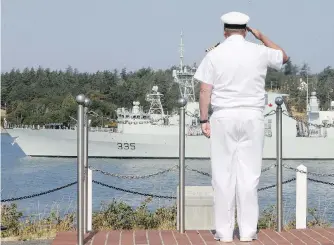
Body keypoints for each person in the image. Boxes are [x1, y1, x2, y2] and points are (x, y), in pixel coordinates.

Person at [194, 11, 289, 242]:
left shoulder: (214, 55)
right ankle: (248, 232)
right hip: (253, 118)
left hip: (224, 118)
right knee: (249, 177)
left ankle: (224, 233)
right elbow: (283, 57)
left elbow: (205, 90)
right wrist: (261, 36)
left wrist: (204, 120)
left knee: (222, 176)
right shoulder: (258, 51)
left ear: (224, 31)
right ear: (246, 31)